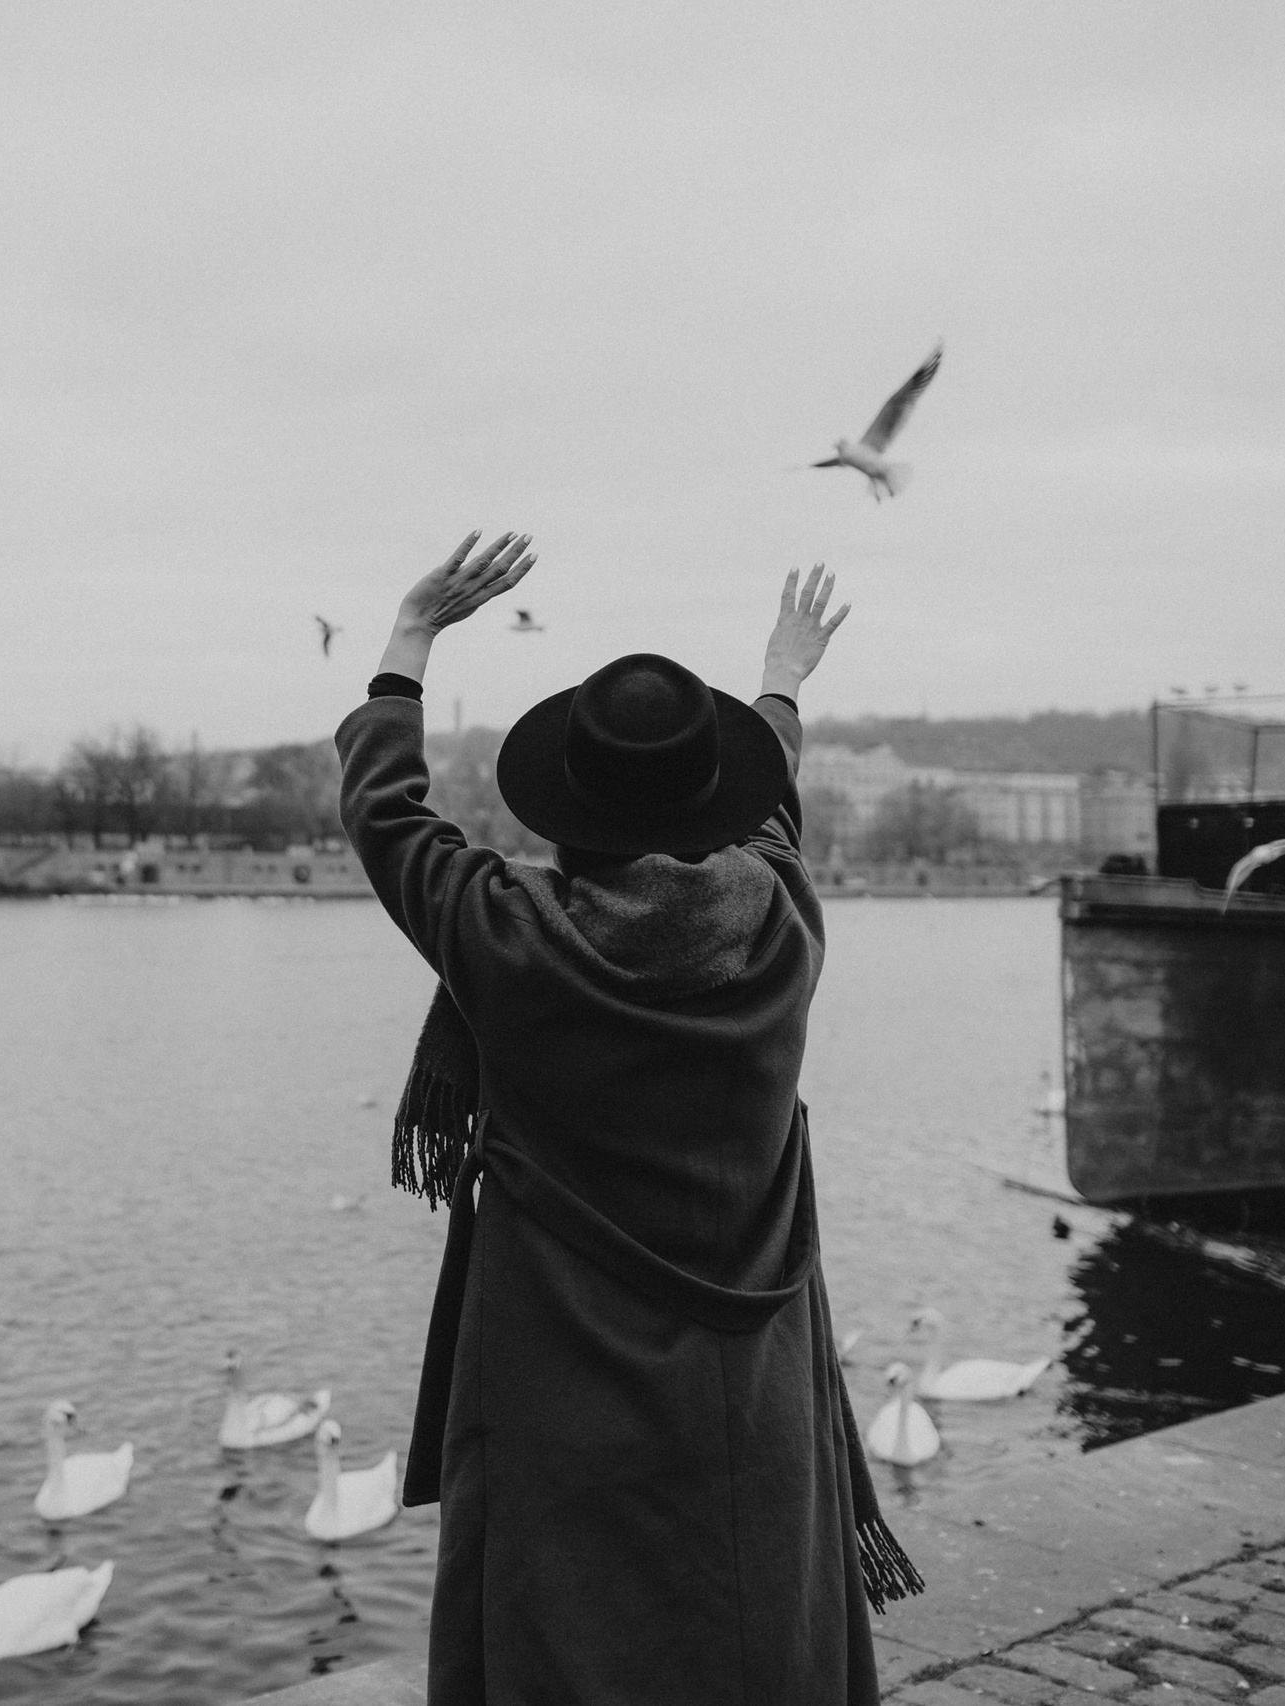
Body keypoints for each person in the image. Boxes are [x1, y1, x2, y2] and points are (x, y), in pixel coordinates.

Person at [334, 533, 913, 1706]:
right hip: (749, 1372)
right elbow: (775, 802)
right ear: (719, 802)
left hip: (558, 1372)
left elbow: (387, 818)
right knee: (751, 1607)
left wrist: (409, 639)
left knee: (565, 1629)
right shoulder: (783, 919)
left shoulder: (506, 934)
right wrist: (780, 679)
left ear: (566, 807)